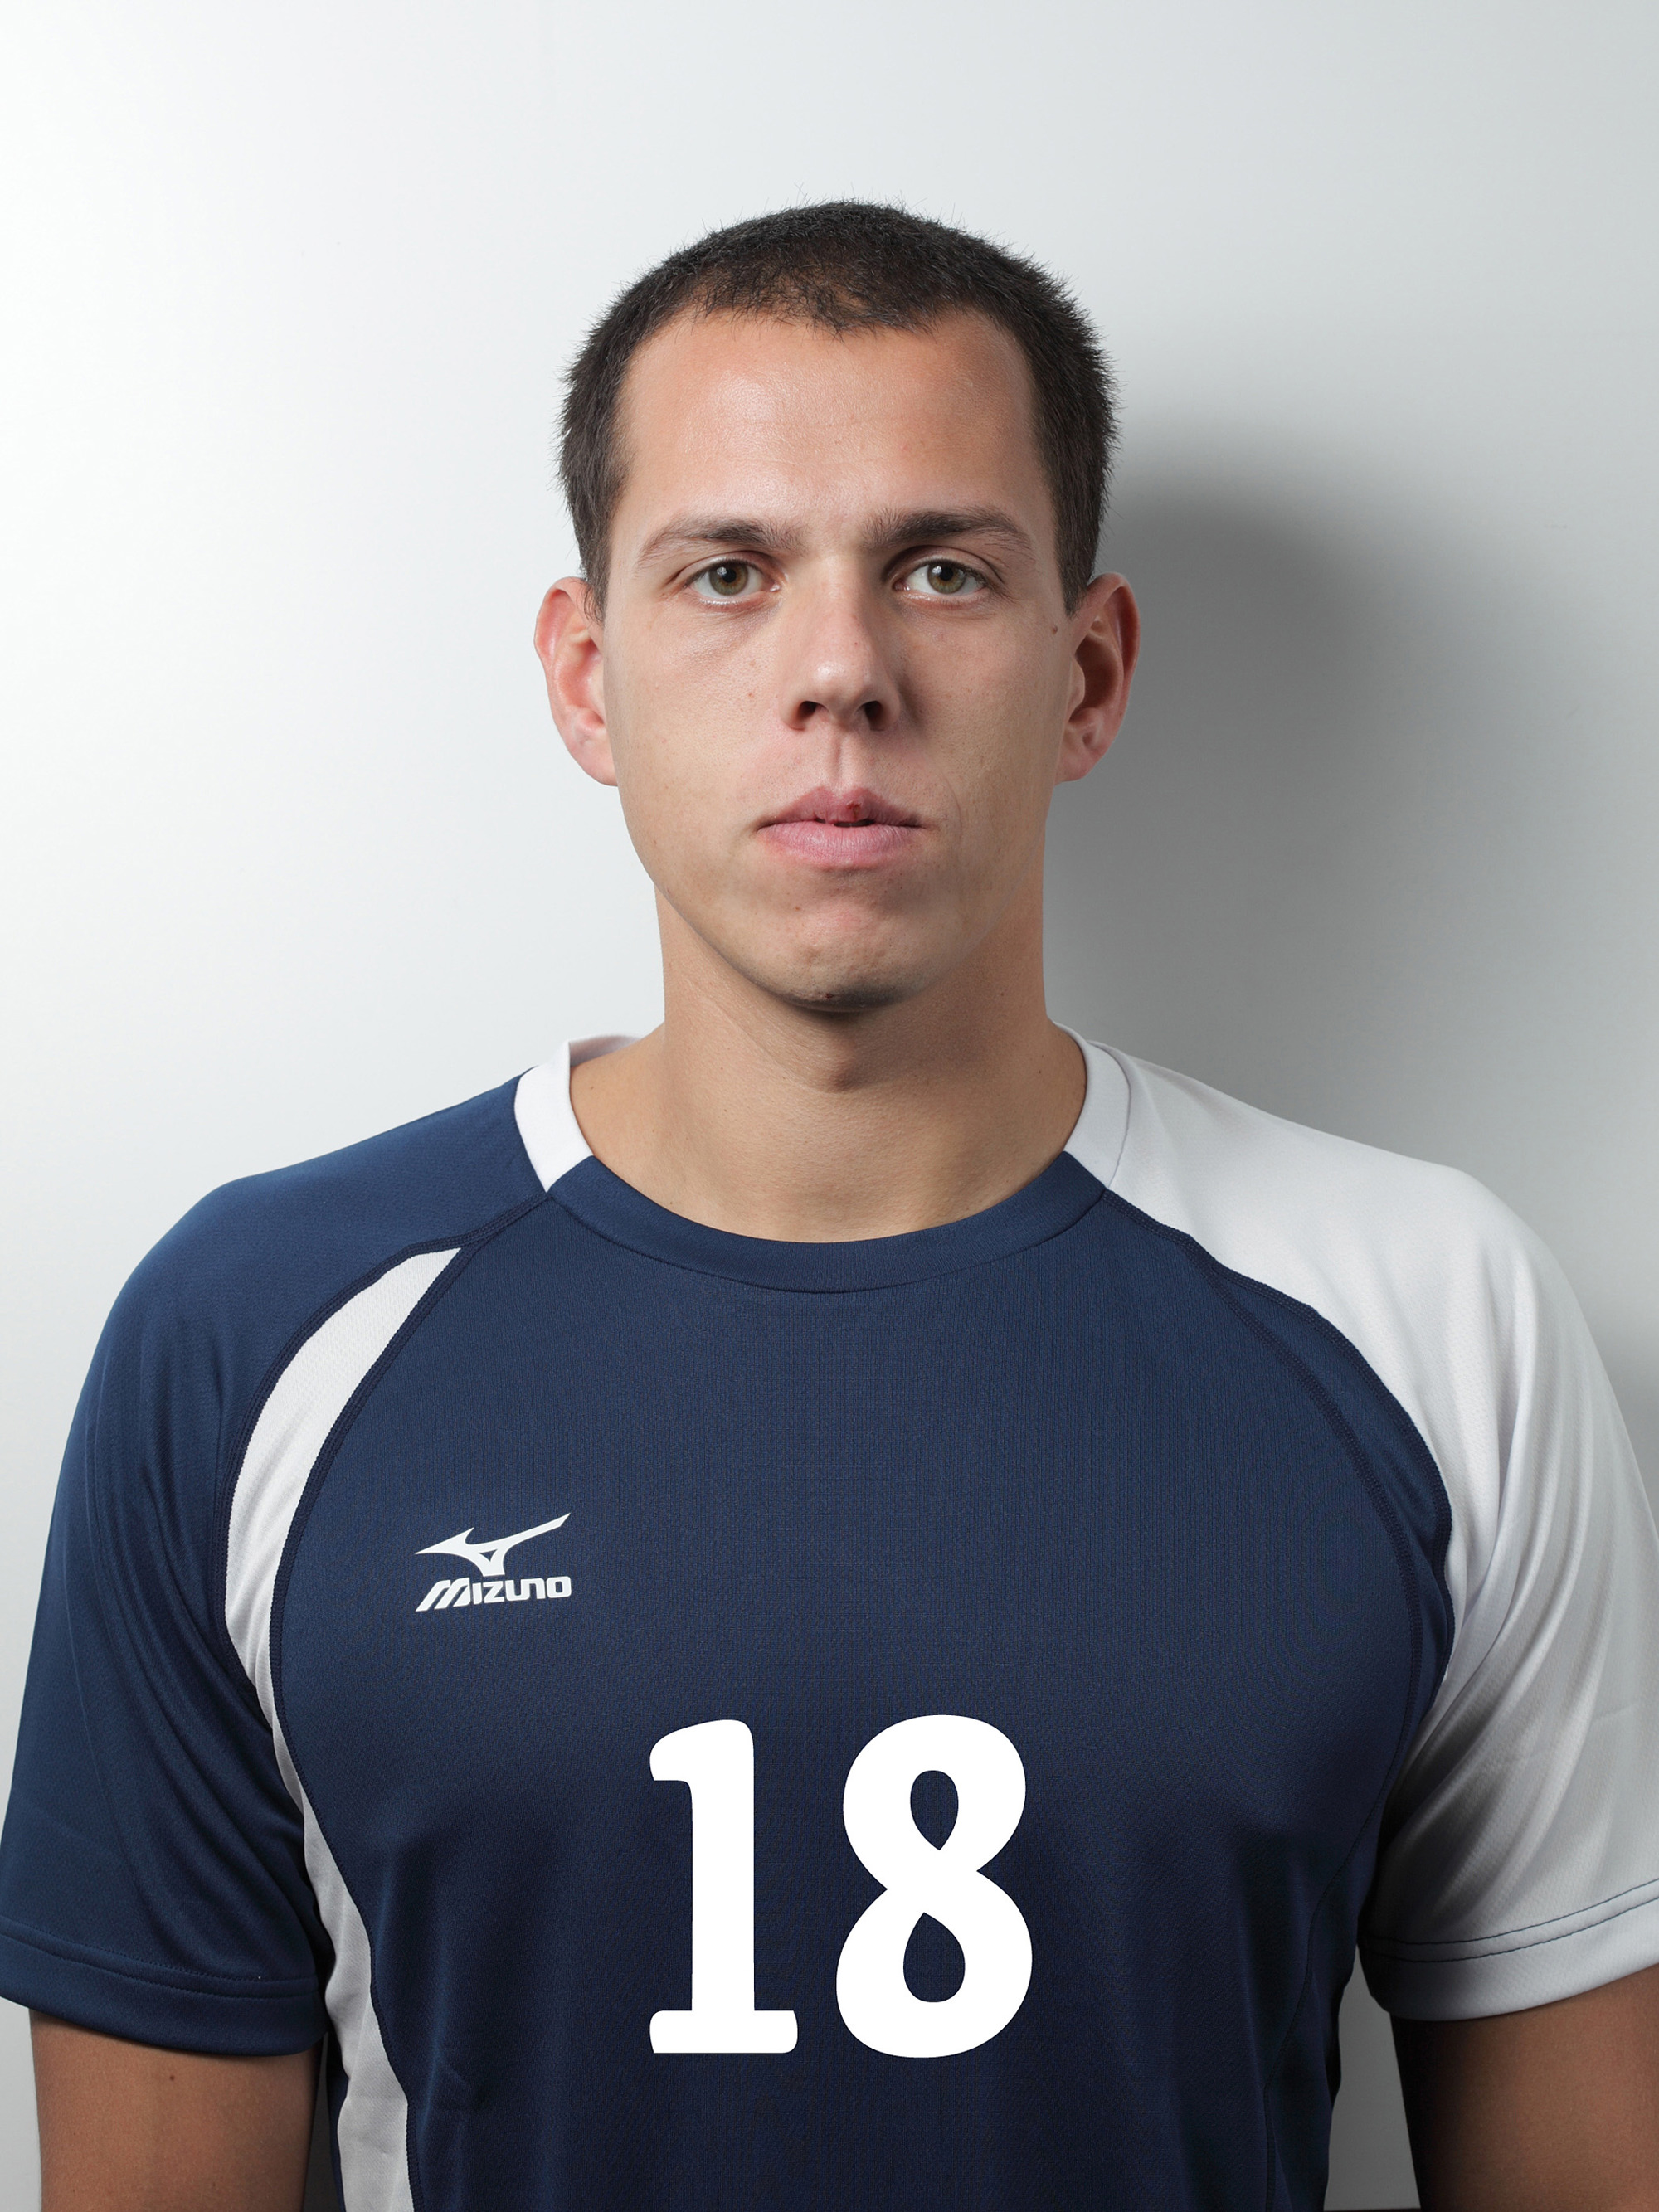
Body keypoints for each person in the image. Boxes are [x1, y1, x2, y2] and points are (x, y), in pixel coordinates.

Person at [3, 202, 1657, 2212]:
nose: (841, 672)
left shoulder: (1431, 1315)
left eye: (941, 569)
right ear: (587, 677)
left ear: (1087, 672)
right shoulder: (257, 1329)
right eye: (728, 572)